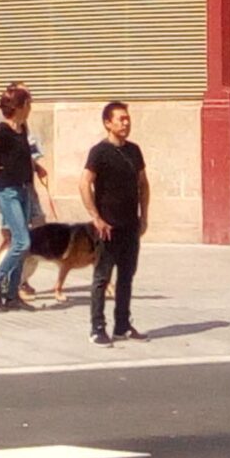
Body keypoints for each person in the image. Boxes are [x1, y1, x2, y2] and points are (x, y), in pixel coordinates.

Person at [79, 100, 149, 346]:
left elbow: (143, 183)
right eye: (121, 119)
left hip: (130, 224)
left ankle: (122, 325)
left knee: (127, 276)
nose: (126, 123)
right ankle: (97, 328)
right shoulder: (99, 152)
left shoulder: (134, 150)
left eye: (127, 118)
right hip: (107, 227)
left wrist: (145, 215)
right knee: (102, 278)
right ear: (108, 123)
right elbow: (84, 183)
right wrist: (96, 217)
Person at [0, 85, 38, 312]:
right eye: (29, 103)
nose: (31, 108)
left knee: (19, 244)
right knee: (22, 242)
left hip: (23, 189)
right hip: (7, 191)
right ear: (20, 106)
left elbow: (23, 156)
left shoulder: (21, 129)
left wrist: (36, 168)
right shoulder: (2, 129)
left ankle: (12, 295)